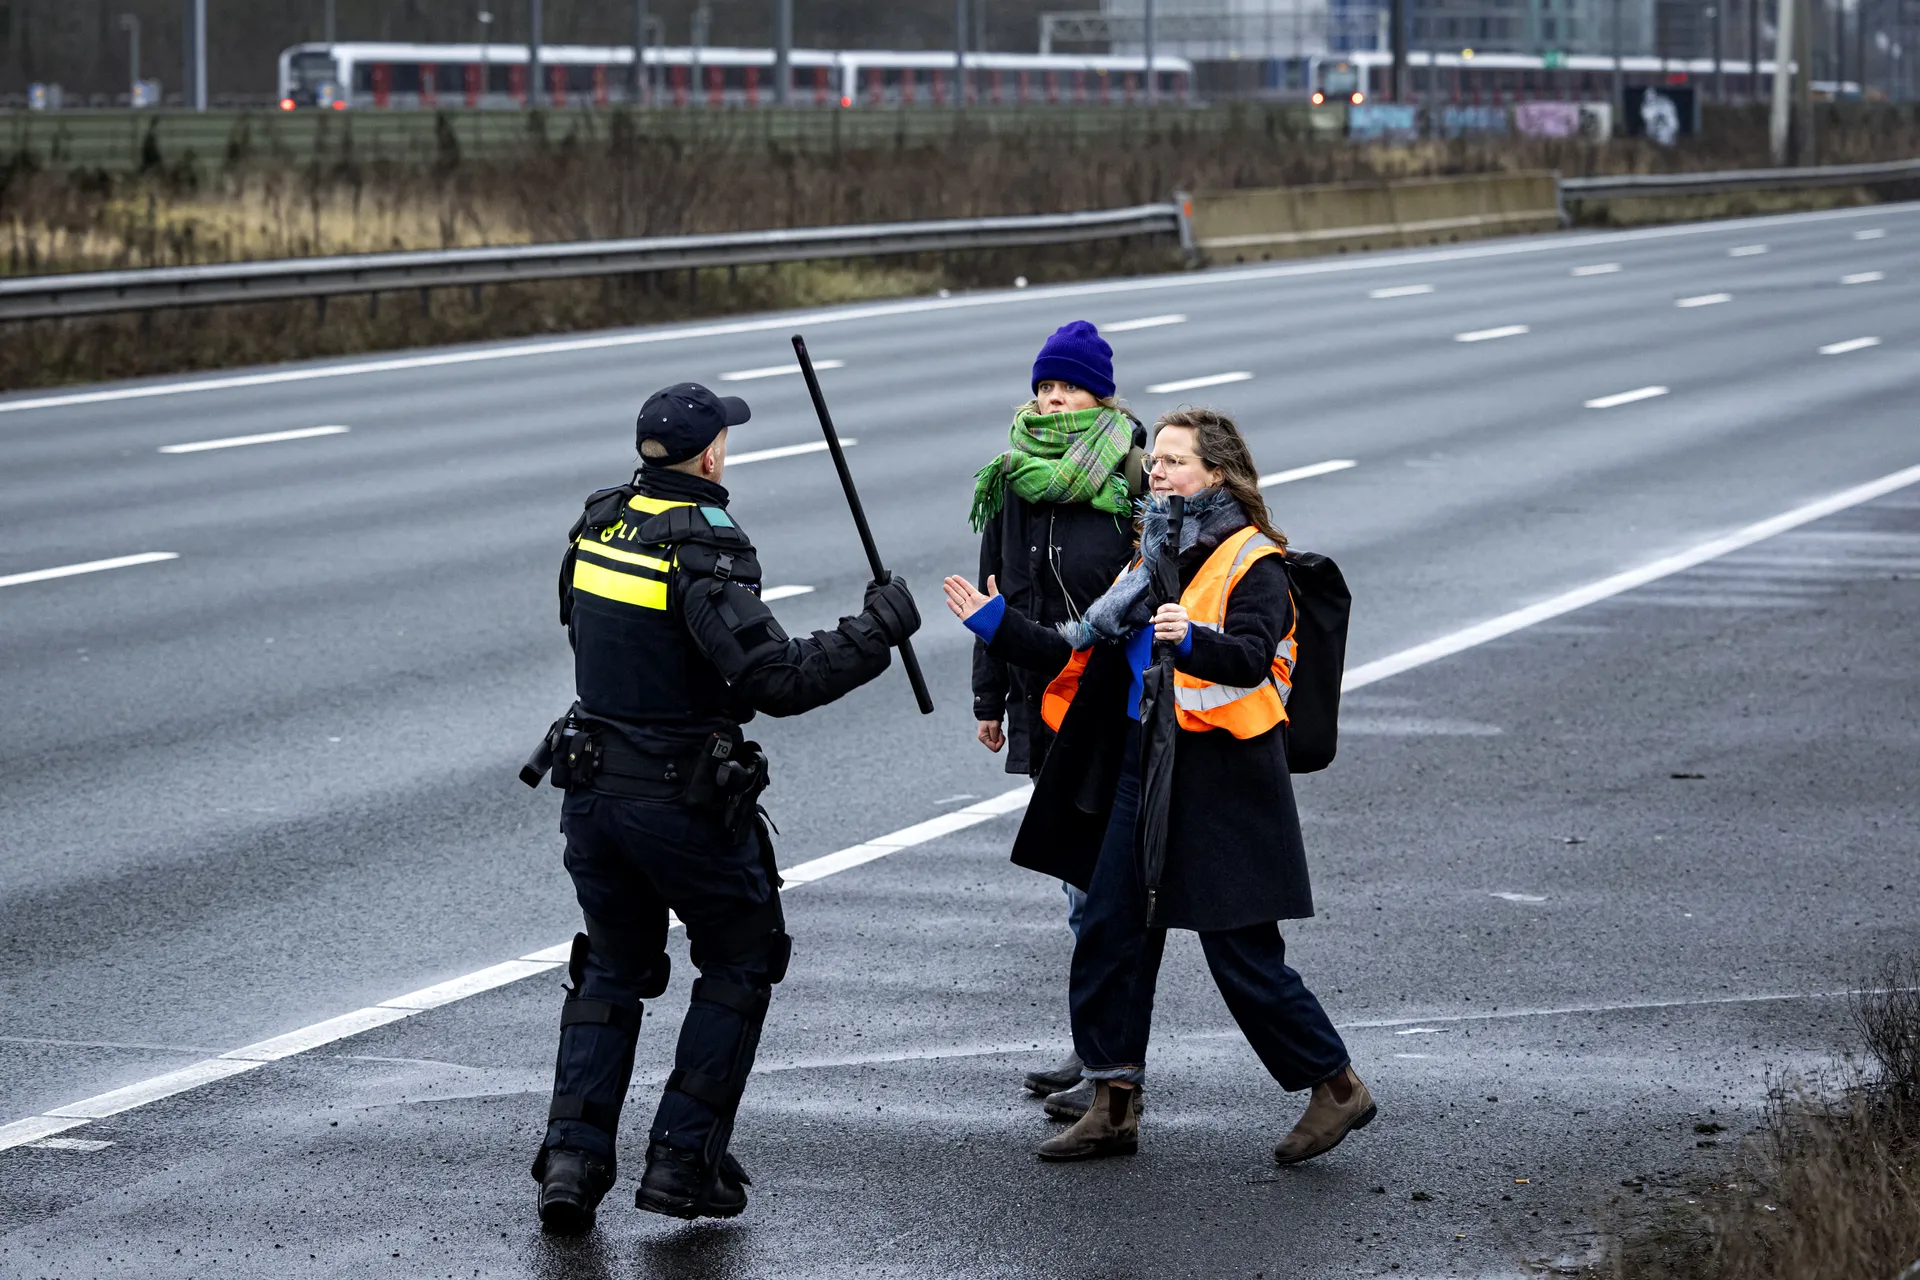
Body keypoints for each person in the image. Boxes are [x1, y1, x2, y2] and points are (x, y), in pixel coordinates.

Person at [529, 381, 921, 1232]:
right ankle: (681, 1161)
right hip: (680, 803)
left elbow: (583, 628)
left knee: (610, 970)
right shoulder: (703, 548)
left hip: (592, 791)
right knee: (743, 958)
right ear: (710, 454)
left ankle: (571, 1160)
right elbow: (773, 679)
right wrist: (876, 631)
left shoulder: (598, 520)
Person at [942, 406, 1374, 1166]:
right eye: (1159, 460)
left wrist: (1191, 639)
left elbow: (1246, 658)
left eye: (1175, 461)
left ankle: (1335, 1087)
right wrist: (995, 624)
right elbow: (1073, 645)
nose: (1159, 471)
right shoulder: (1150, 555)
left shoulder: (1254, 562)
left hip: (1222, 782)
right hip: (1143, 763)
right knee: (1110, 924)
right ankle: (1113, 1103)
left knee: (1240, 954)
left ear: (1217, 473)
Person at [968, 320, 1143, 1114]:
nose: (1051, 398)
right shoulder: (1011, 477)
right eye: (1043, 385)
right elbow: (994, 597)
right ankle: (1095, 1046)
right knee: (1078, 885)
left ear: (1099, 393)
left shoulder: (1136, 472)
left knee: (1106, 888)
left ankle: (1113, 1063)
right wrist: (989, 702)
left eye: (1066, 386)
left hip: (1109, 700)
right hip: (1044, 702)